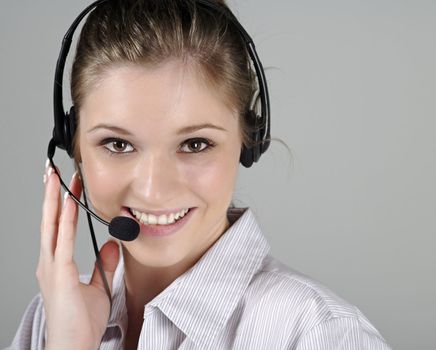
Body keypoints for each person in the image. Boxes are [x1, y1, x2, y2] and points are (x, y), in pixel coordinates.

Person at [8, 0, 391, 349]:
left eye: (194, 144)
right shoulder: (51, 319)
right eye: (118, 144)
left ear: (248, 139)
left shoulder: (319, 334)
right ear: (72, 145)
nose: (153, 190)